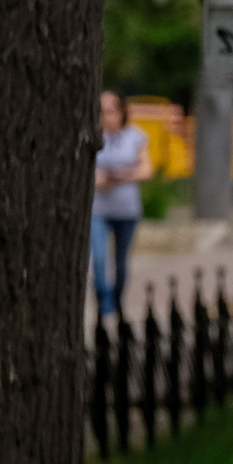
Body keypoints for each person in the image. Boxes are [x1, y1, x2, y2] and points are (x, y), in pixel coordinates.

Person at [92, 90, 153, 318]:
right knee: (98, 259)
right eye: (101, 111)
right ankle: (103, 303)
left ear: (120, 111)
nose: (106, 116)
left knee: (120, 262)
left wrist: (120, 176)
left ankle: (117, 299)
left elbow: (147, 169)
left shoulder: (135, 136)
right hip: (98, 208)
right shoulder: (93, 135)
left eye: (110, 111)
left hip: (126, 209)